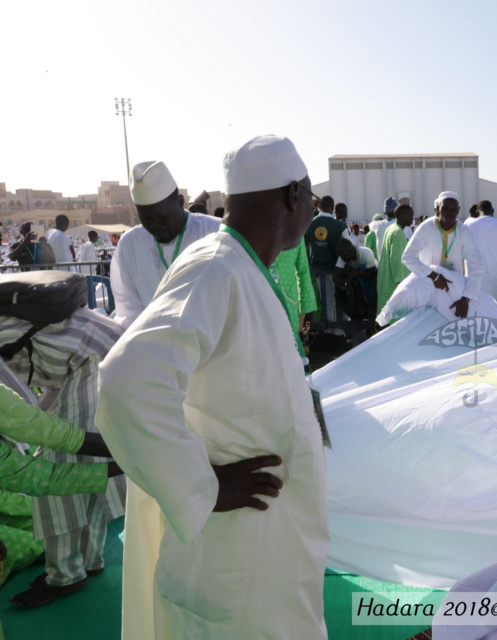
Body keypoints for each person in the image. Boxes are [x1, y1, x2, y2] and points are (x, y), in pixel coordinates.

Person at [96, 134, 330, 639]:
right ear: (294, 195)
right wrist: (201, 488)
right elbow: (125, 381)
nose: (313, 207)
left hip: (265, 544)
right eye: (310, 196)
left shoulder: (242, 265)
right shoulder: (216, 267)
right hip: (238, 549)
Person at [0, 309, 126, 608]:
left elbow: (24, 414)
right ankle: (87, 559)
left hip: (90, 362)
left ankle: (66, 574)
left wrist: (116, 452)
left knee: (59, 474)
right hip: (99, 354)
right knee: (82, 462)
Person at [112, 160, 221, 329]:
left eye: (162, 217)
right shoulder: (130, 244)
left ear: (180, 202)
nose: (155, 225)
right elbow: (128, 310)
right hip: (155, 346)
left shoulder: (214, 232)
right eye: (147, 219)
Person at [402, 191, 485, 319]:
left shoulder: (463, 231)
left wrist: (466, 298)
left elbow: (477, 265)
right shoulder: (426, 227)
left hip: (453, 294)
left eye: (453, 209)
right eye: (445, 208)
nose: (449, 212)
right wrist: (433, 276)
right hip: (427, 289)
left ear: (458, 210)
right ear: (437, 209)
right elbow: (407, 257)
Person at [305, 194, 346, 324]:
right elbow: (349, 248)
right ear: (332, 208)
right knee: (336, 299)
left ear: (320, 206)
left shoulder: (309, 224)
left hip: (315, 270)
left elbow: (304, 246)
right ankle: (334, 331)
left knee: (320, 300)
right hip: (335, 270)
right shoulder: (339, 226)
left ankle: (323, 328)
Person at [465, 199, 497, 308]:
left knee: (478, 310)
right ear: (492, 210)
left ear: (477, 212)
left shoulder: (469, 225)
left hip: (476, 277)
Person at [376, 203, 413, 314]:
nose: (412, 219)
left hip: (385, 279)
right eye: (410, 216)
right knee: (394, 321)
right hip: (393, 284)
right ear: (402, 216)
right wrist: (402, 285)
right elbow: (397, 262)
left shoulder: (391, 228)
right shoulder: (398, 233)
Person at [334, 237, 377, 320]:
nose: (343, 259)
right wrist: (347, 283)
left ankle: (372, 317)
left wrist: (359, 273)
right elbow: (335, 277)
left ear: (351, 251)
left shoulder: (366, 253)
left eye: (344, 257)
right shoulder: (343, 257)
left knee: (362, 269)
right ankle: (358, 314)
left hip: (370, 275)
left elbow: (371, 273)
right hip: (358, 277)